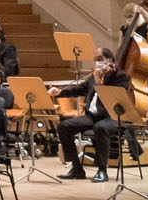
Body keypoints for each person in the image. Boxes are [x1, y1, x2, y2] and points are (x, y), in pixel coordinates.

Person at [56, 49, 133, 182]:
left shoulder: (119, 77)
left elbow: (114, 100)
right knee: (64, 126)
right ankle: (77, 168)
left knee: (100, 127)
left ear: (109, 60)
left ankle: (102, 170)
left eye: (100, 59)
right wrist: (59, 92)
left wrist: (99, 82)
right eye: (95, 59)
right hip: (92, 116)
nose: (97, 62)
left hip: (112, 117)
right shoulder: (93, 76)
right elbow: (79, 89)